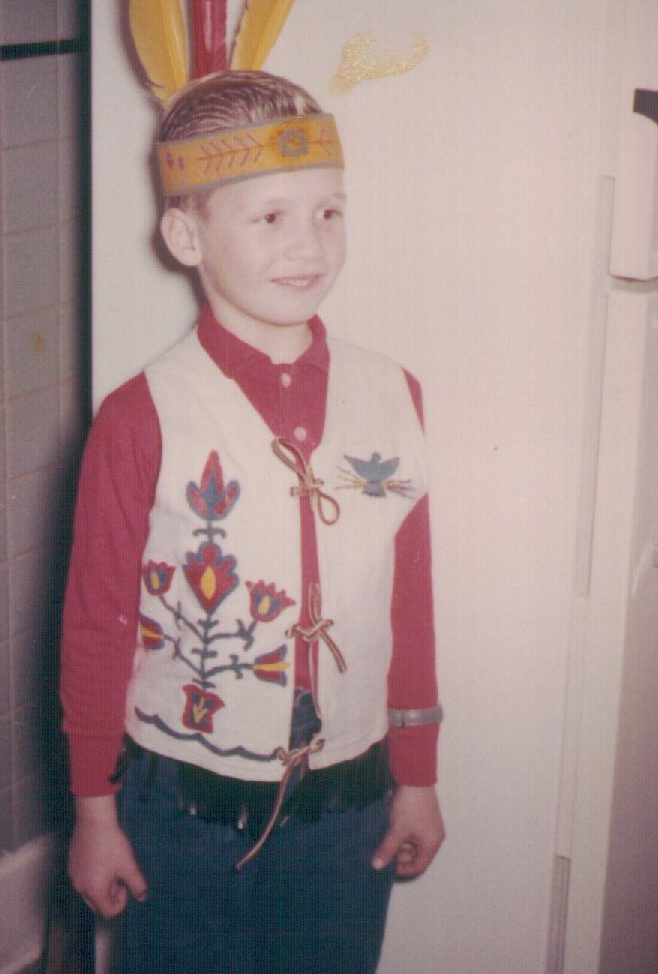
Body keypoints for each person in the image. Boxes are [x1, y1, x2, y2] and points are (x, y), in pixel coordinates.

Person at [60, 68, 444, 973]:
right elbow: (95, 627)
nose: (308, 244)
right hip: (179, 812)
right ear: (186, 236)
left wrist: (418, 775)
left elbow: (409, 606)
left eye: (328, 212)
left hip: (350, 807)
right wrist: (93, 815)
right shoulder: (140, 416)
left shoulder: (395, 394)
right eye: (270, 217)